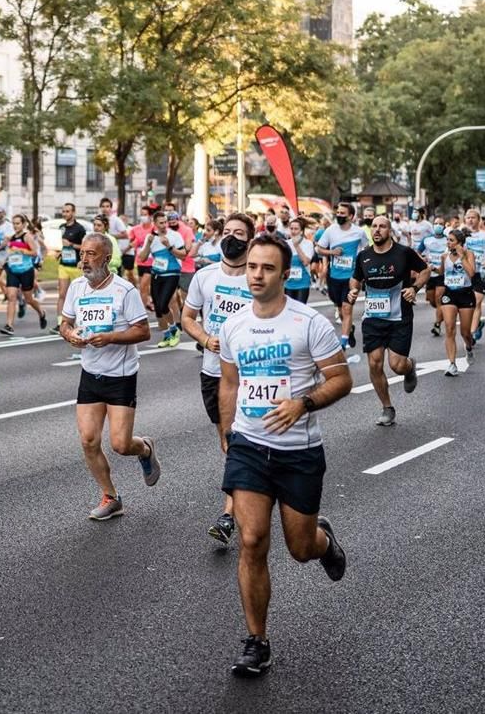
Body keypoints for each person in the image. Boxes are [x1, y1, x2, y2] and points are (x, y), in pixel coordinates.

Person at [216, 234, 349, 677]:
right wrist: (228, 432)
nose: (257, 274)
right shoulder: (234, 326)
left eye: (267, 268)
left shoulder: (308, 322)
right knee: (251, 540)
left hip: (299, 453)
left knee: (299, 549)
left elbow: (340, 379)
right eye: (252, 266)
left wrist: (302, 404)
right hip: (250, 447)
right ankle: (257, 641)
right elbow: (230, 383)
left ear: (285, 274)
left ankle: (323, 542)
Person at [59, 233, 157, 521]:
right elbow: (65, 324)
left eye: (91, 254)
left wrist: (111, 337)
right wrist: (71, 335)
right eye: (83, 254)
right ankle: (111, 497)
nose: (84, 260)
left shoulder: (125, 291)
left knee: (121, 445)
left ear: (106, 258)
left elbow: (144, 331)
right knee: (89, 440)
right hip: (90, 373)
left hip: (121, 375)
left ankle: (146, 448)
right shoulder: (77, 288)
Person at [181, 213, 255, 545]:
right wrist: (204, 339)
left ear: (250, 241)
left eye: (239, 233)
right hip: (213, 372)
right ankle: (249, 492)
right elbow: (188, 317)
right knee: (227, 443)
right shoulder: (205, 276)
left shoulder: (257, 278)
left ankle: (228, 516)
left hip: (249, 375)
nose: (232, 238)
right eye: (227, 232)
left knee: (238, 443)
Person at [349, 215, 426, 426]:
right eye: (374, 226)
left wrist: (414, 287)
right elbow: (356, 278)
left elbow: (425, 270)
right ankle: (387, 407)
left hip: (400, 315)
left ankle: (409, 368)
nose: (377, 230)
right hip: (373, 317)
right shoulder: (363, 256)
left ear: (389, 230)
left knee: (397, 365)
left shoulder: (403, 252)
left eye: (382, 226)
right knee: (374, 363)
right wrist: (353, 291)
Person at [314, 203, 366, 350]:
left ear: (351, 216)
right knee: (340, 309)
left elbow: (365, 250)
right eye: (338, 212)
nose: (339, 215)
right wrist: (332, 253)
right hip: (334, 276)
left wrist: (363, 270)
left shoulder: (359, 232)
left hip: (351, 277)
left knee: (347, 308)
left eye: (343, 213)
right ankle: (350, 329)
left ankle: (342, 343)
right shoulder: (331, 231)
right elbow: (319, 248)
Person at [138, 208, 187, 347]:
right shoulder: (151, 237)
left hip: (172, 273)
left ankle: (174, 330)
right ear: (154, 223)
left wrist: (169, 247)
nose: (164, 225)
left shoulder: (174, 236)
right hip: (157, 273)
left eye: (165, 222)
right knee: (158, 308)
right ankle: (167, 336)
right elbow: (142, 258)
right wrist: (148, 243)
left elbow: (183, 255)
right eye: (161, 223)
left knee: (164, 303)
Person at [435, 229, 479, 377]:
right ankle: (452, 364)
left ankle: (468, 347)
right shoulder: (444, 256)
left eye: (451, 240)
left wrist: (462, 256)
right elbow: (441, 272)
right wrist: (433, 268)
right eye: (447, 240)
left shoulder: (469, 254)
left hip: (466, 294)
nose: (448, 243)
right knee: (449, 327)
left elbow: (472, 273)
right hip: (449, 294)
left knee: (465, 332)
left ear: (460, 243)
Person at [0, 214, 46, 335]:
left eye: (18, 223)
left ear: (24, 224)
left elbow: (35, 253)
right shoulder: (12, 238)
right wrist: (4, 260)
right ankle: (9, 325)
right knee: (11, 296)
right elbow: (11, 253)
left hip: (26, 271)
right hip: (13, 271)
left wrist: (23, 251)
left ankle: (41, 312)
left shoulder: (27, 236)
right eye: (14, 223)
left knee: (29, 299)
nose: (15, 226)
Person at [461, 209, 485, 342]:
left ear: (479, 220)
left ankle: (471, 333)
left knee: (475, 303)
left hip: (481, 272)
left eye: (473, 218)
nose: (470, 220)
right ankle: (478, 324)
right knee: (474, 304)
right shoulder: (461, 235)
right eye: (468, 217)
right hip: (465, 273)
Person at [54, 203, 87, 320]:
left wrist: (71, 245)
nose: (65, 214)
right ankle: (60, 322)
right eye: (63, 211)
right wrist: (59, 252)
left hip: (76, 266)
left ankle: (79, 320)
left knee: (78, 295)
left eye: (67, 211)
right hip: (63, 265)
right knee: (62, 294)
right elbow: (60, 245)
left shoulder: (80, 229)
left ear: (73, 213)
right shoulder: (61, 227)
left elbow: (84, 247)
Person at [418, 221, 449, 337]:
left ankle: (437, 325)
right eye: (436, 223)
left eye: (441, 223)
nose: (438, 225)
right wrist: (423, 259)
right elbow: (417, 252)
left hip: (442, 273)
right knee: (432, 300)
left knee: (438, 298)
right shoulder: (427, 239)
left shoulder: (447, 240)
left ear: (444, 226)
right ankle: (444, 311)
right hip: (430, 273)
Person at [283, 217, 316, 304]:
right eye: (291, 228)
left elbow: (305, 262)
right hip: (288, 284)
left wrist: (296, 246)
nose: (293, 231)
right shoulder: (285, 244)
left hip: (303, 283)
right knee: (289, 310)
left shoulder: (308, 244)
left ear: (301, 231)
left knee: (300, 310)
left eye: (296, 229)